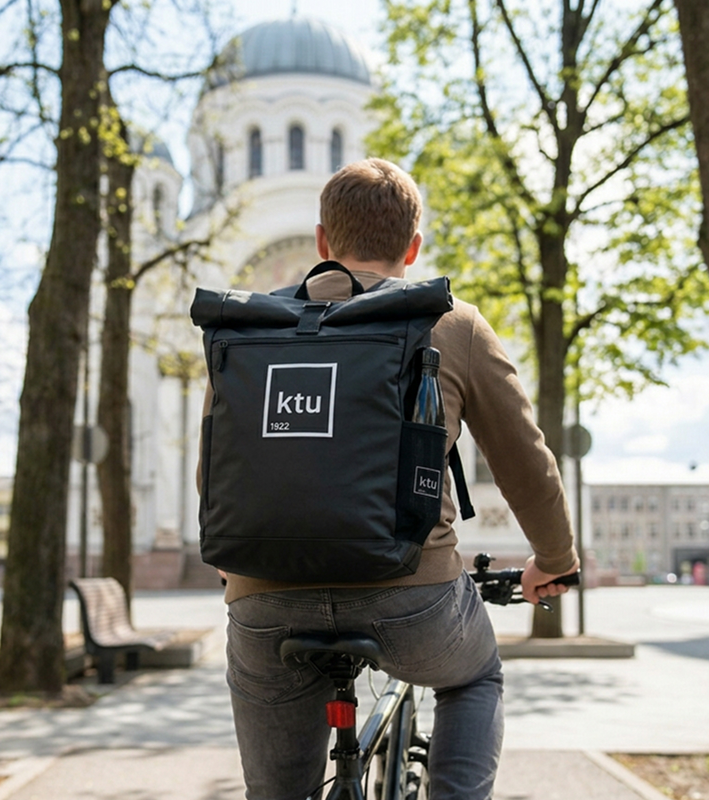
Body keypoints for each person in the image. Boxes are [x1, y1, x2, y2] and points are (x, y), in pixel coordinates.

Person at [203, 158, 579, 800]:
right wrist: (555, 557)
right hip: (411, 595)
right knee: (472, 678)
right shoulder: (452, 324)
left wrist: (234, 568)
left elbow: (221, 461)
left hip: (264, 600)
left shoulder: (250, 330)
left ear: (323, 243)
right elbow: (525, 459)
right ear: (413, 247)